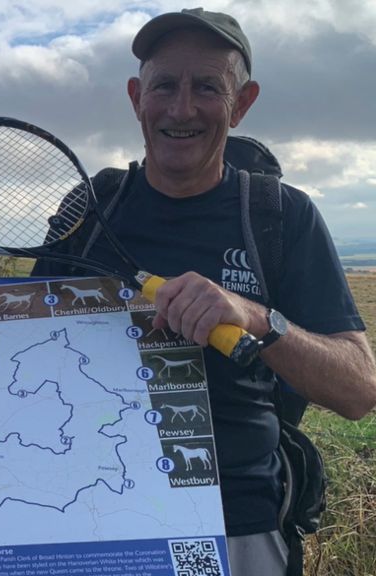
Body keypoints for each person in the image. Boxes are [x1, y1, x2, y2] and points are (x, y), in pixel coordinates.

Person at [31, 8, 376, 575]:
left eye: (207, 88)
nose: (182, 108)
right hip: (89, 512)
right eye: (165, 85)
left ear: (242, 104)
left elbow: (359, 392)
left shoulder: (281, 216)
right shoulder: (90, 210)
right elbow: (15, 346)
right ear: (136, 96)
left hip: (236, 525)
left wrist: (258, 319)